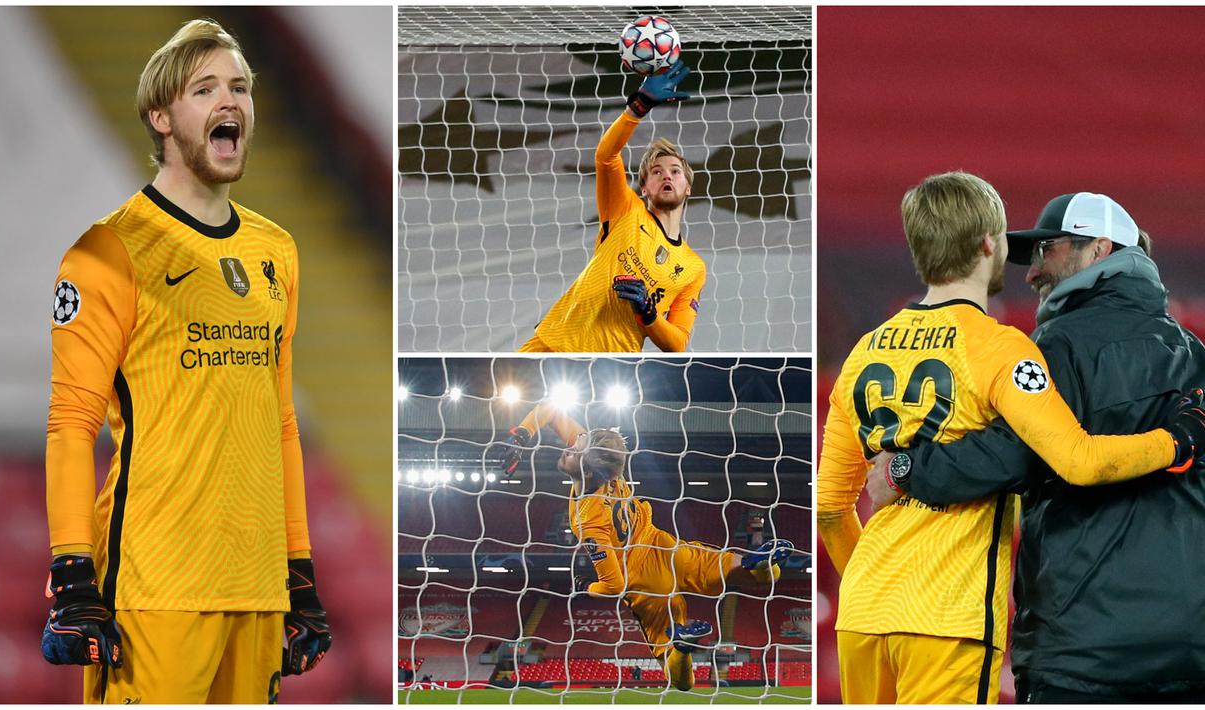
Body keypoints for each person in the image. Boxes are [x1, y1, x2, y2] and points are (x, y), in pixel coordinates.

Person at [816, 174, 1202, 704]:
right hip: (960, 616)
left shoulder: (864, 353)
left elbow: (830, 510)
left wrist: (901, 484)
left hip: (883, 617)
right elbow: (1077, 458)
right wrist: (1179, 442)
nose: (1033, 267)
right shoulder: (1011, 350)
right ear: (987, 245)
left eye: (1047, 249)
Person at [42, 19, 331, 703]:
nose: (229, 101)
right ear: (162, 116)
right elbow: (70, 422)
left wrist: (298, 569)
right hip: (154, 586)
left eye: (240, 87)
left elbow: (280, 422)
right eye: (205, 89)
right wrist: (72, 571)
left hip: (257, 590)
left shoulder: (277, 251)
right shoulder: (107, 251)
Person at [500, 402, 793, 690]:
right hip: (664, 547)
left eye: (577, 447)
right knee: (735, 567)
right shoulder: (608, 469)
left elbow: (614, 585)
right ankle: (764, 565)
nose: (570, 445)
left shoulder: (587, 518)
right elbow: (553, 410)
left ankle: (680, 648)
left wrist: (586, 586)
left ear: (587, 472)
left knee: (681, 680)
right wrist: (521, 435)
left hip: (645, 583)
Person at [519, 60, 706, 352]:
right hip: (554, 343)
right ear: (644, 188)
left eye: (675, 171)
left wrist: (648, 312)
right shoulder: (625, 210)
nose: (666, 175)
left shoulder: (693, 268)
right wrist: (638, 108)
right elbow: (606, 156)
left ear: (688, 188)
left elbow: (678, 343)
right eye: (656, 172)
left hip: (608, 363)